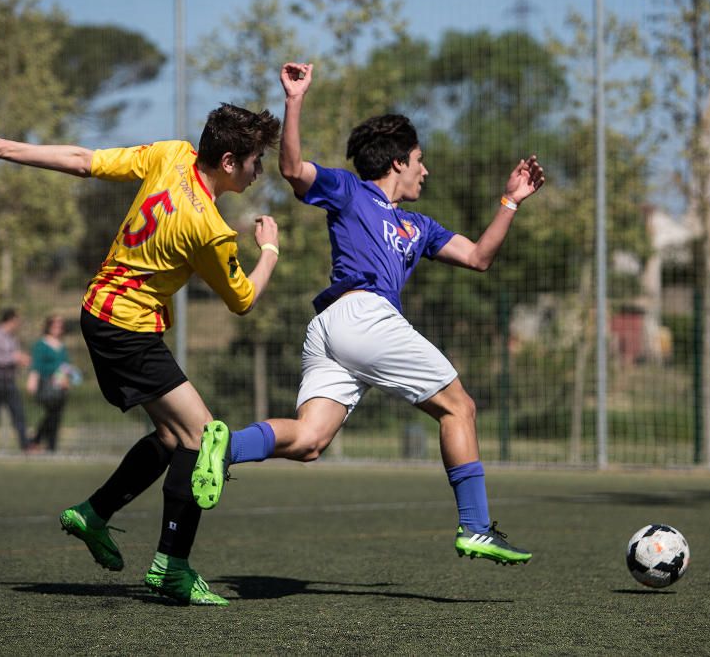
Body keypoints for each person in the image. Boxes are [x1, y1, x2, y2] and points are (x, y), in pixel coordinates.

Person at [192, 62, 546, 566]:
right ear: (399, 162)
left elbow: (477, 258)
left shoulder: (417, 225)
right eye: (420, 159)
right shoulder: (351, 191)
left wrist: (510, 202)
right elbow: (293, 169)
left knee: (311, 440)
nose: (426, 169)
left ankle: (225, 446)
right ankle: (476, 527)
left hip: (334, 330)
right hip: (359, 316)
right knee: (459, 407)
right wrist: (295, 99)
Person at [0, 102, 282, 606]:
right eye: (257, 159)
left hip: (98, 311)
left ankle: (94, 513)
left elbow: (85, 160)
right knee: (202, 436)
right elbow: (242, 300)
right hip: (126, 328)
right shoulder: (210, 229)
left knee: (174, 436)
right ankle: (171, 567)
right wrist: (271, 252)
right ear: (231, 160)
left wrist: (4, 148)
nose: (262, 169)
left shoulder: (171, 155)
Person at [0, 308, 31, 452]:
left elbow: (14, 356)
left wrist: (21, 359)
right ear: (10, 320)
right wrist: (13, 358)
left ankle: (25, 446)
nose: (18, 325)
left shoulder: (12, 338)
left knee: (18, 413)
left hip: (9, 381)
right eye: (17, 321)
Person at [26, 315, 76, 453]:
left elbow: (65, 365)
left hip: (61, 385)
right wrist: (32, 380)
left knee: (56, 415)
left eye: (60, 326)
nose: (58, 328)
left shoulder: (62, 346)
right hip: (46, 384)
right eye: (55, 325)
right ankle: (37, 440)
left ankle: (49, 445)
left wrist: (67, 378)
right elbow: (36, 364)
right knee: (52, 414)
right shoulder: (41, 344)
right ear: (48, 326)